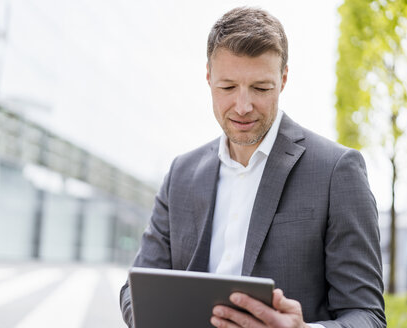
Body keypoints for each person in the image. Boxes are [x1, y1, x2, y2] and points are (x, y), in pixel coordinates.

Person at [120, 6, 385, 328]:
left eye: (261, 88)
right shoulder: (181, 173)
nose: (243, 107)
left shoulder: (336, 171)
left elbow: (367, 316)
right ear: (208, 77)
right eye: (227, 87)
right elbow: (135, 291)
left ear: (283, 79)